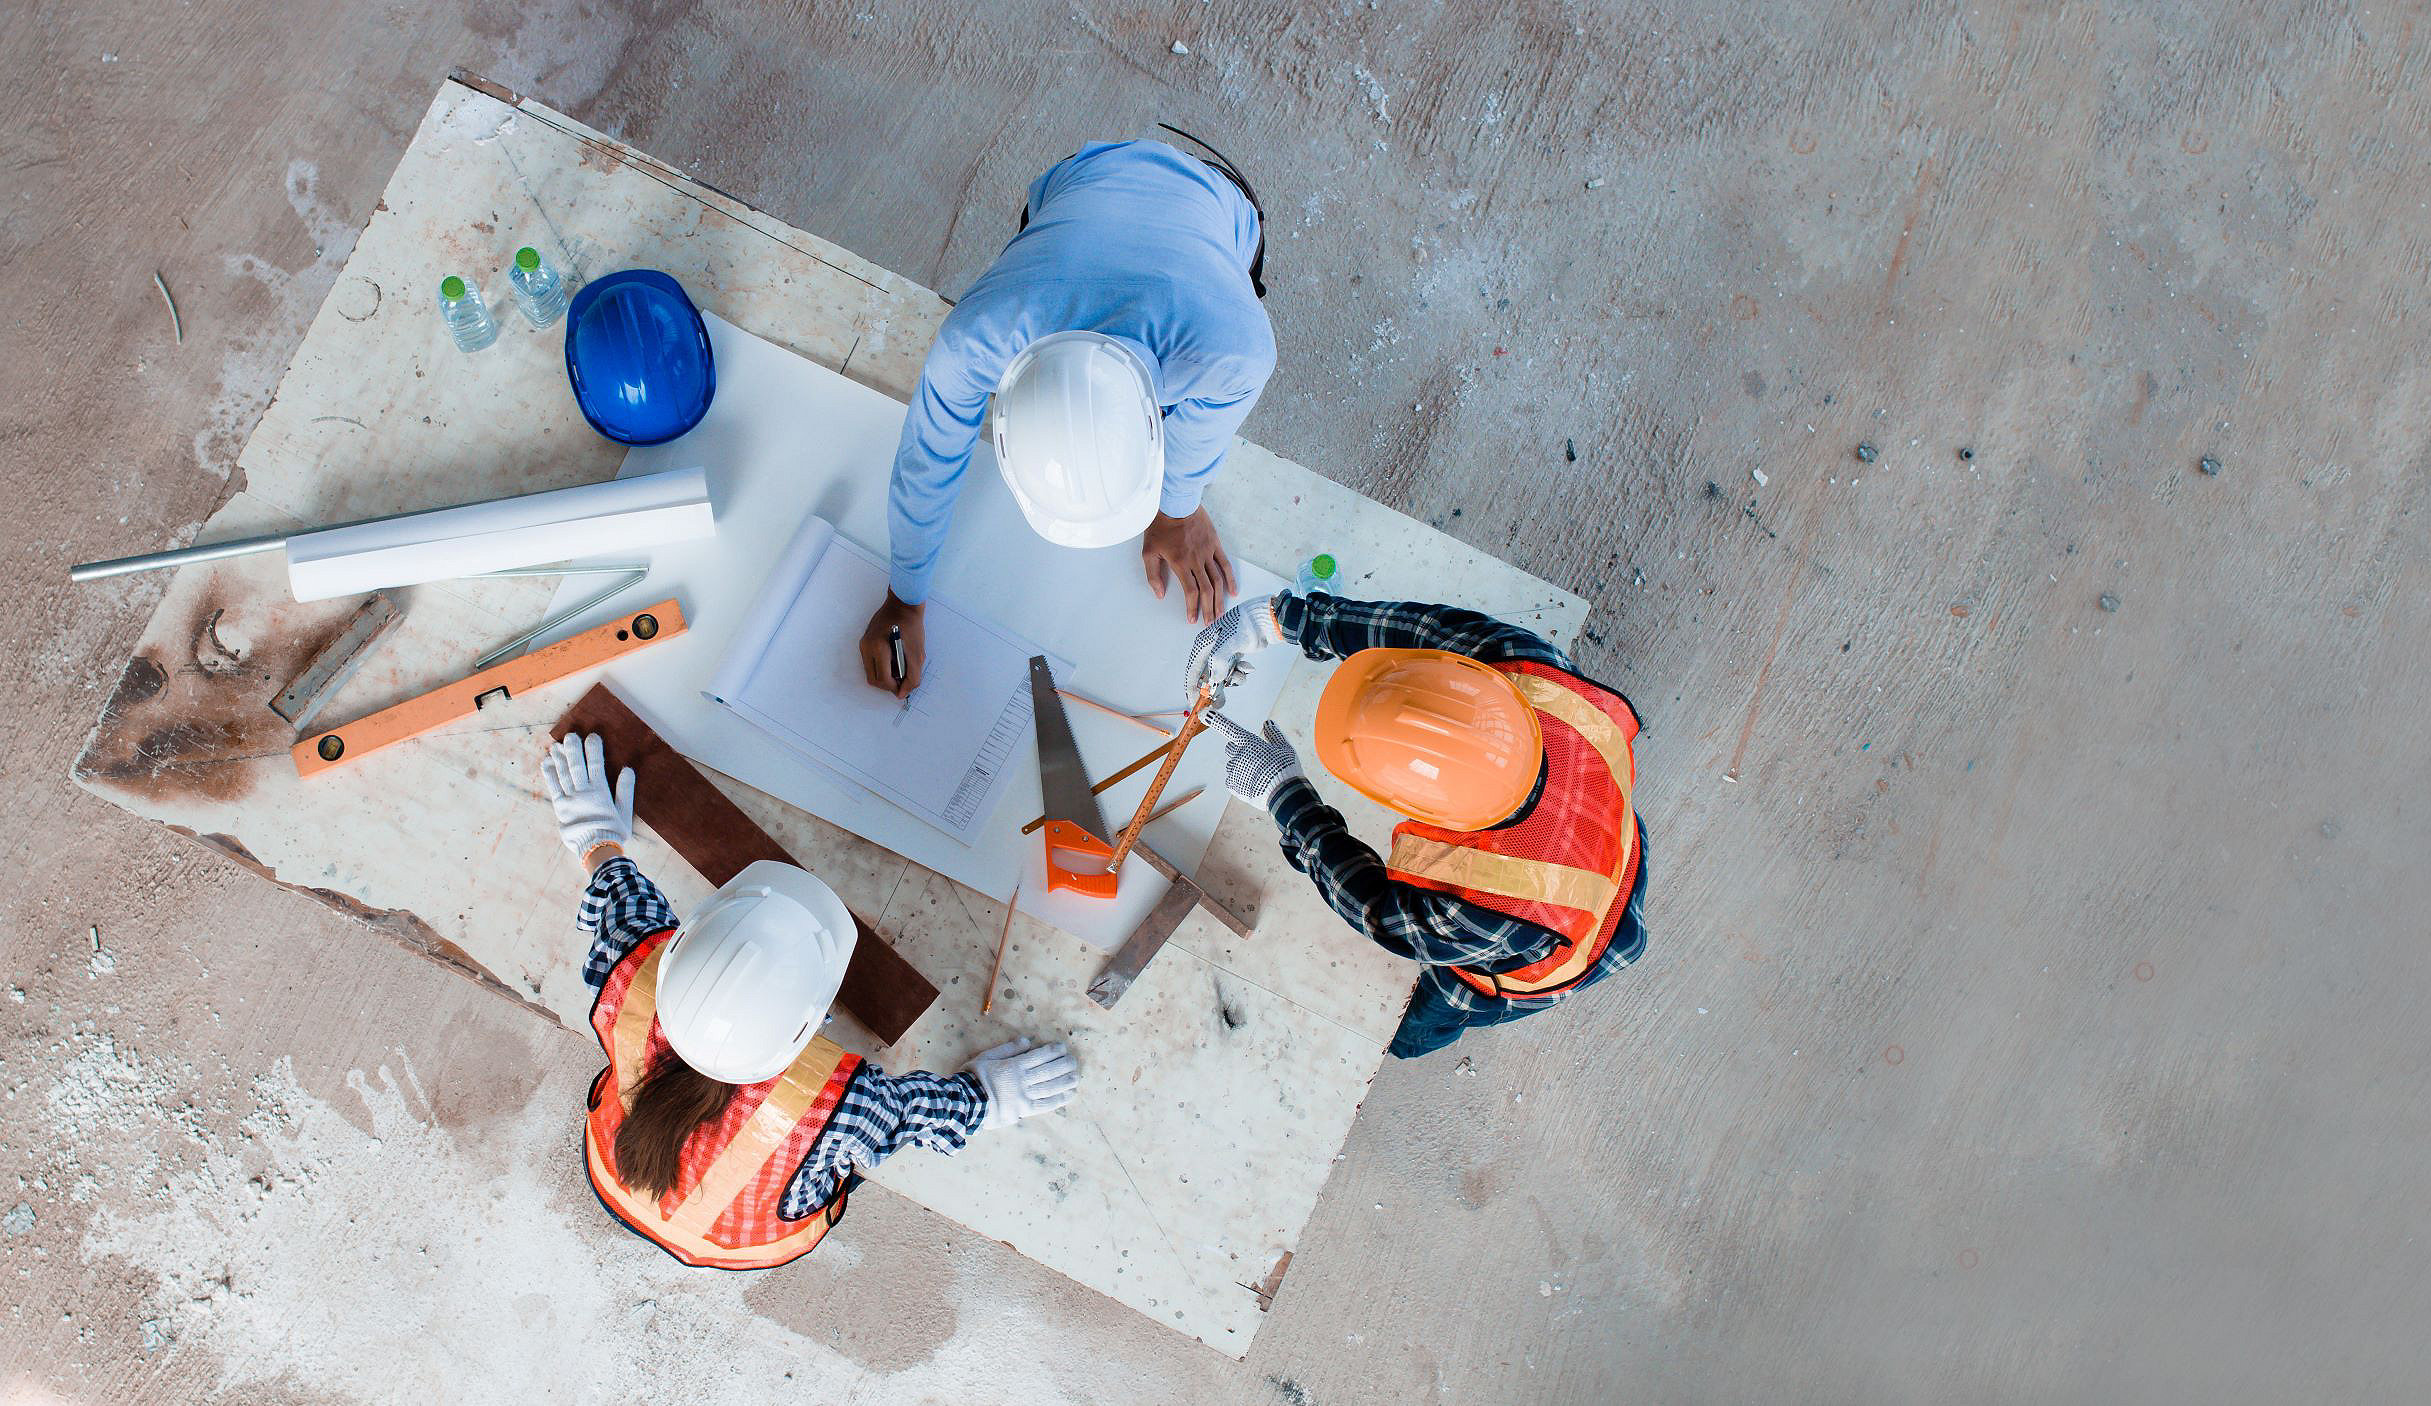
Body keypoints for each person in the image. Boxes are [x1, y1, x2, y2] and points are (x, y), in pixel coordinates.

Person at [540, 733, 1081, 1269]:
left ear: (682, 947)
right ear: (813, 1025)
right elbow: (911, 1117)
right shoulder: (833, 1107)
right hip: (735, 1243)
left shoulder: (630, 977)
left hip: (615, 1172)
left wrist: (597, 839)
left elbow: (620, 905)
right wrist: (988, 1097)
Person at [858, 135, 1276, 696]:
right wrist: (903, 597)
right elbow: (927, 459)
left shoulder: (1231, 350)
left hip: (1217, 204)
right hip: (1081, 180)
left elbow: (1202, 431)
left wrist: (1176, 512)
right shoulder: (977, 339)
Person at [1183, 593, 1650, 1057]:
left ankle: (1407, 1043)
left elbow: (1374, 907)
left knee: (1425, 1018)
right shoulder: (1525, 670)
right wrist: (1274, 620)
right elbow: (1421, 631)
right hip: (1610, 834)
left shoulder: (1481, 907)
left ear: (1427, 812)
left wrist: (1284, 798)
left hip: (1557, 953)